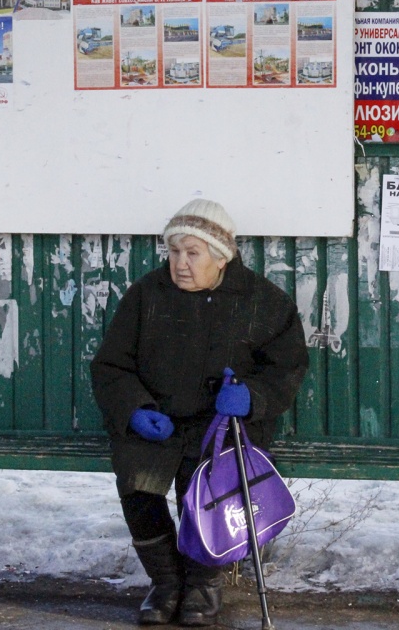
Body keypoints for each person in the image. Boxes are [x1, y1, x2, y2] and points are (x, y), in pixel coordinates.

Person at [91, 199, 308, 627]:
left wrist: (250, 398)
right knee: (138, 483)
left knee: (210, 490)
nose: (180, 264)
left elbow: (287, 368)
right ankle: (167, 582)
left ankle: (204, 584)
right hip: (160, 422)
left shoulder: (263, 301)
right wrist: (135, 410)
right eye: (174, 252)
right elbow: (111, 365)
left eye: (193, 253)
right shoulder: (146, 295)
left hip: (224, 427)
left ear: (221, 256)